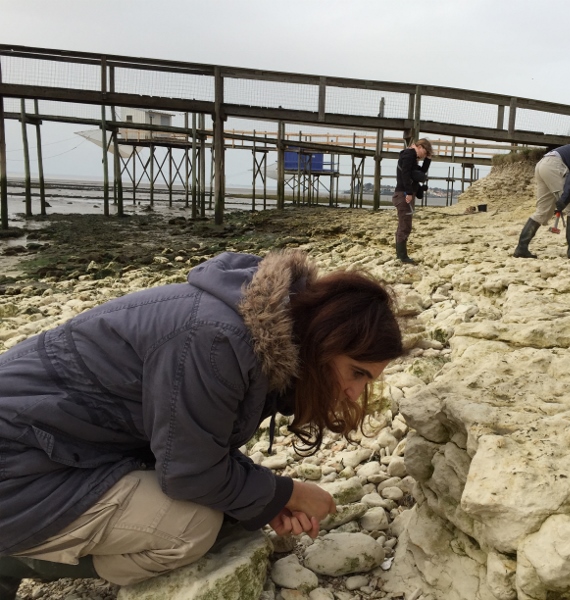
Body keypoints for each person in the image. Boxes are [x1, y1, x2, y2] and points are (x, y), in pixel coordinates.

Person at [0, 250, 404, 596]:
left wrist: (269, 502)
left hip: (57, 448)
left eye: (366, 380)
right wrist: (288, 492)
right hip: (17, 465)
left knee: (222, 516)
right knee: (191, 529)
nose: (354, 394)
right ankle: (11, 561)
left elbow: (191, 441)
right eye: (356, 373)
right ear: (324, 341)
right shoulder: (219, 341)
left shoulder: (256, 332)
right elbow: (188, 473)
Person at [392, 138, 433, 264]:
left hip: (403, 194)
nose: (423, 156)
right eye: (425, 153)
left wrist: (428, 159)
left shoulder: (411, 156)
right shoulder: (409, 154)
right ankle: (402, 257)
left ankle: (401, 255)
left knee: (404, 225)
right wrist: (409, 192)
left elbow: (419, 173)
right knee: (405, 226)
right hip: (403, 195)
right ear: (420, 147)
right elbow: (405, 174)